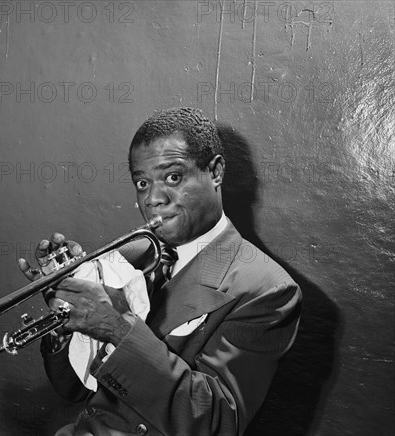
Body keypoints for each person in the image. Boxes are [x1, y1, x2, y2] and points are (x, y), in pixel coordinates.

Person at [18, 107, 302, 436]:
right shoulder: (128, 255)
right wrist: (67, 322)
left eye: (173, 177)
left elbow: (217, 423)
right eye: (142, 183)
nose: (153, 198)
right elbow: (73, 391)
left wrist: (115, 326)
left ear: (216, 172)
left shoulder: (268, 289)